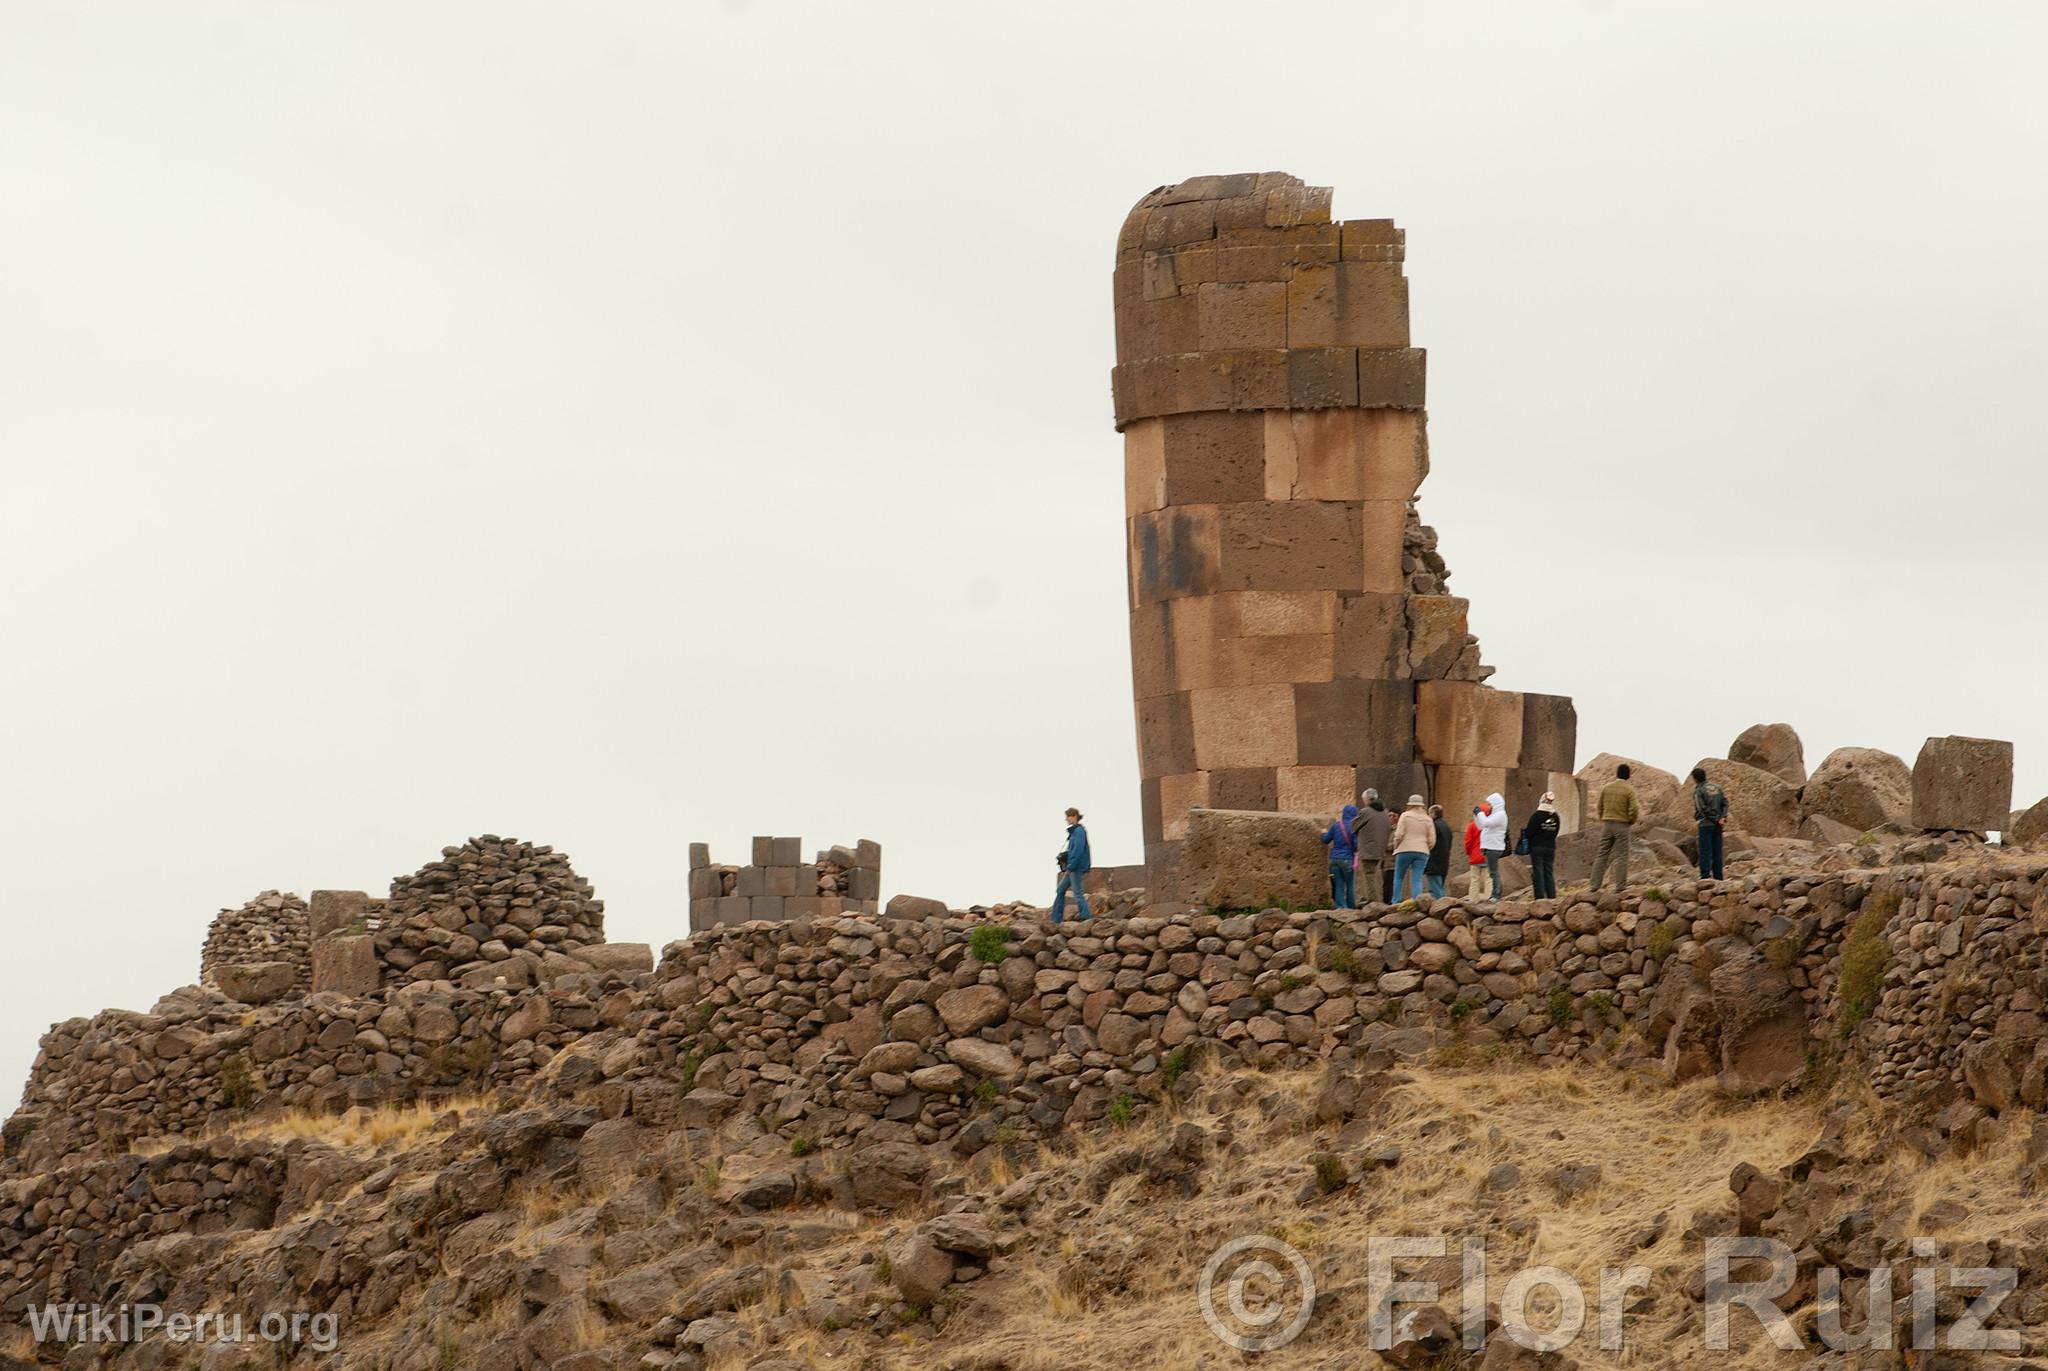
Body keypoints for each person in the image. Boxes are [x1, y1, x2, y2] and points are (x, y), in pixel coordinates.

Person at [1587, 765, 1641, 892]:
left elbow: (1599, 806)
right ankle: (1620, 886)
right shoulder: (1629, 790)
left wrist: (1603, 818)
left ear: (1617, 774)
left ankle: (1594, 886)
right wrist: (1630, 821)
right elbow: (1635, 809)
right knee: (1622, 855)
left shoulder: (1607, 788)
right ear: (1628, 775)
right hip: (1622, 824)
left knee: (1602, 854)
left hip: (1607, 824)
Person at [1350, 790, 1392, 907]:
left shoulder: (1365, 811)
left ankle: (1372, 901)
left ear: (1367, 800)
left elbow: (1353, 827)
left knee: (1369, 874)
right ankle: (1371, 897)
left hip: (1368, 848)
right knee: (1374, 874)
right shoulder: (1385, 812)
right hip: (1380, 848)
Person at [1050, 807, 1091, 923]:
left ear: (1074, 816)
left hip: (1075, 868)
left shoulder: (1079, 832)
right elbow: (1074, 850)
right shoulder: (1075, 832)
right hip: (1072, 867)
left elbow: (1077, 851)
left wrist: (1071, 866)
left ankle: (1086, 917)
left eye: (1068, 816)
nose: (1066, 819)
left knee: (1077, 893)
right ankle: (1056, 919)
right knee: (1060, 890)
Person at [1390, 795, 1433, 902]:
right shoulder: (1428, 819)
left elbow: (1399, 834)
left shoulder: (1405, 816)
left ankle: (1396, 901)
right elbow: (1432, 839)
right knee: (1417, 879)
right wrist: (1427, 848)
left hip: (1404, 849)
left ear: (1410, 805)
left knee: (1399, 877)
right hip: (1422, 850)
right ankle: (1416, 901)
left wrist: (1396, 846)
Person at [1522, 792, 1563, 899]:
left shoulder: (1537, 815)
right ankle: (1551, 896)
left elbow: (1529, 831)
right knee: (1548, 871)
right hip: (1550, 847)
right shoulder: (1555, 816)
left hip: (1537, 847)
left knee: (1538, 872)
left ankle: (1539, 897)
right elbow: (1556, 831)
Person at [1693, 767, 1730, 880]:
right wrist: (1722, 817)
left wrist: (1713, 818)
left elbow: (1701, 808)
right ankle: (1718, 877)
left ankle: (1705, 876)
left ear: (1695, 779)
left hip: (1705, 824)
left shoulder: (1699, 790)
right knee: (1717, 850)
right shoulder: (1717, 787)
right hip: (1718, 824)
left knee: (1705, 851)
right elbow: (1725, 803)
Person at [1321, 803, 1358, 909]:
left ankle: (1340, 907)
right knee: (1349, 884)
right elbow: (1356, 846)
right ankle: (1351, 907)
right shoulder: (1354, 827)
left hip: (1334, 859)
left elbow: (1326, 840)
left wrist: (1323, 832)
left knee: (1339, 884)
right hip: (1347, 859)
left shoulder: (1336, 825)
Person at [1476, 790, 1510, 900]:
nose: (1488, 806)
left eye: (1490, 804)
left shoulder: (1500, 815)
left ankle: (1496, 894)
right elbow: (1481, 826)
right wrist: (1477, 816)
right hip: (1489, 846)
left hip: (1494, 847)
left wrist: (1479, 813)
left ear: (1496, 804)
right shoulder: (1495, 815)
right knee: (1492, 872)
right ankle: (1494, 894)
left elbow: (1485, 823)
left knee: (1493, 872)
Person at [1425, 804, 1453, 900]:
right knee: (1439, 886)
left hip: (1434, 861)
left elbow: (1430, 842)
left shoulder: (1434, 826)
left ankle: (1442, 905)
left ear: (1433, 814)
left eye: (1429, 813)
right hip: (1444, 861)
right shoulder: (1447, 827)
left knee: (1436, 889)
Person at [1462, 803, 1490, 900]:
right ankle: (1488, 898)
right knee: (1488, 879)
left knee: (1474, 879)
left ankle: (1473, 899)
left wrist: (1468, 852)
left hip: (1475, 855)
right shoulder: (1490, 825)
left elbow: (1468, 842)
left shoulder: (1472, 826)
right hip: (1487, 855)